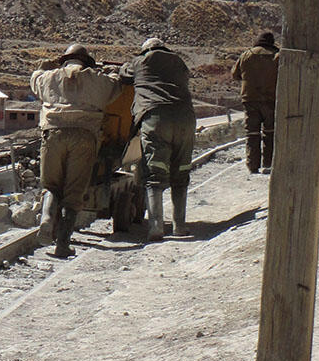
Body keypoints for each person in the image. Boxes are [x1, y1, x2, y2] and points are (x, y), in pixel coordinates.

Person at [30, 43, 122, 259]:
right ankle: (62, 245)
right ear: (86, 62)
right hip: (85, 137)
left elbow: (35, 79)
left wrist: (43, 67)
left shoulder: (49, 77)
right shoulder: (97, 79)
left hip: (53, 134)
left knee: (51, 185)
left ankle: (46, 219)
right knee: (73, 193)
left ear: (64, 61)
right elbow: (116, 86)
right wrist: (111, 71)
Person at [119, 37, 195, 241]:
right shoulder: (179, 61)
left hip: (156, 118)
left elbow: (123, 75)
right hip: (186, 119)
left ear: (146, 50)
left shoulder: (139, 61)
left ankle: (156, 227)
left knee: (155, 173)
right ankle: (179, 226)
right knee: (181, 171)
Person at [231, 30, 279, 175]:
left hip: (250, 99)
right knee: (270, 132)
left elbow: (235, 75)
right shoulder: (278, 56)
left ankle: (252, 165)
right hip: (271, 99)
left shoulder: (246, 55)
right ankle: (268, 163)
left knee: (252, 133)